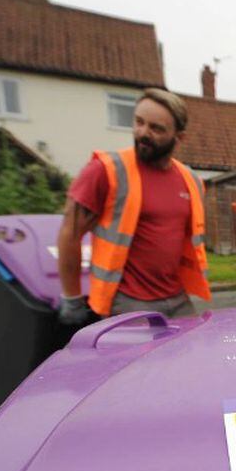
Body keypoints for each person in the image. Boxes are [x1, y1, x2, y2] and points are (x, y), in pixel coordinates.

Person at [57, 88, 210, 325]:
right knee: (142, 363)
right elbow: (70, 233)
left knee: (189, 359)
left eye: (156, 128)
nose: (143, 133)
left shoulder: (191, 181)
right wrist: (72, 298)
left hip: (177, 298)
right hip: (127, 301)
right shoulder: (105, 171)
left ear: (179, 138)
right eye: (139, 122)